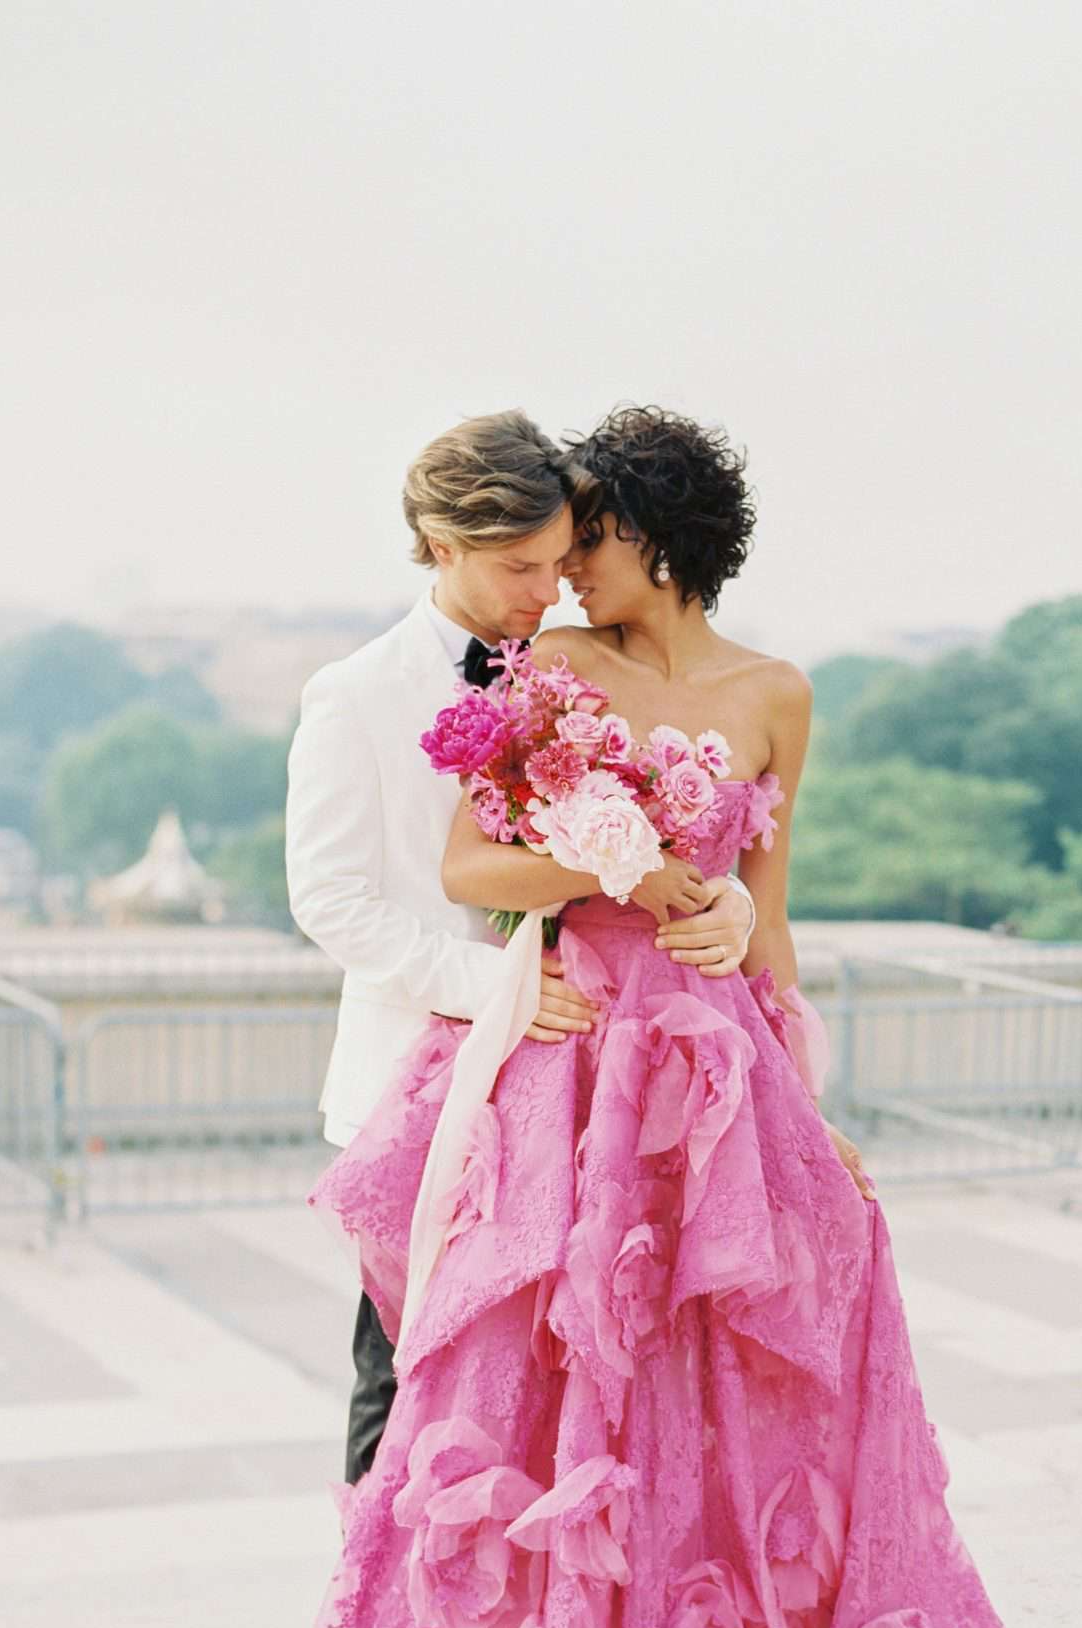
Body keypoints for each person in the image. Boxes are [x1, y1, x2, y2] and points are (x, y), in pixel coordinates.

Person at [187, 405, 1076, 1628]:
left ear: (647, 544)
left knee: (713, 1377)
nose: (559, 578)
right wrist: (626, 865)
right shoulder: (532, 677)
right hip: (547, 1056)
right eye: (539, 552)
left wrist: (773, 1024)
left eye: (580, 544)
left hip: (715, 1071)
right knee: (488, 1384)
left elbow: (768, 909)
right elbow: (466, 866)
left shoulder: (775, 693)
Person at [283, 410, 756, 1483]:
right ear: (440, 544)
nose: (547, 590)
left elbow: (656, 833)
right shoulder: (355, 693)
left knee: (539, 1390)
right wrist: (490, 988)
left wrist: (717, 898)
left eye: (558, 562)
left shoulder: (571, 667)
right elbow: (331, 899)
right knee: (406, 1371)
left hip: (576, 1089)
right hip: (424, 1071)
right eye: (519, 566)